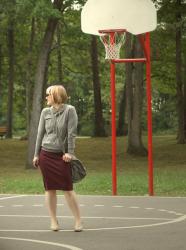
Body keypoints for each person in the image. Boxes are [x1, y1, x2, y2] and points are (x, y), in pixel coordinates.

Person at [32, 85, 83, 232]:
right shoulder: (45, 112)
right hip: (45, 155)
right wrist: (36, 154)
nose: (46, 97)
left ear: (56, 95)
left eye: (48, 94)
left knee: (68, 189)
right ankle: (54, 221)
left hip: (62, 157)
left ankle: (78, 220)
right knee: (50, 189)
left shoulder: (70, 110)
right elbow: (40, 135)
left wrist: (70, 153)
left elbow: (72, 134)